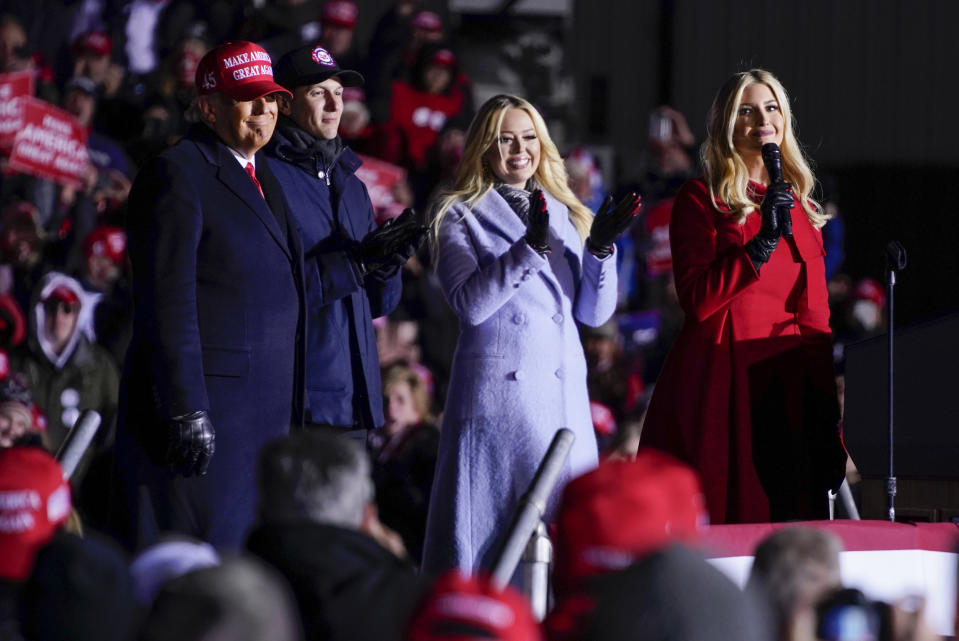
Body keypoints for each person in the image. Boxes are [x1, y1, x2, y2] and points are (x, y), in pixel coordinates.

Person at [422, 94, 641, 578]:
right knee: (493, 548)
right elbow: (469, 305)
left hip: (562, 402)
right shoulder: (459, 212)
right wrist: (528, 249)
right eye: (505, 139)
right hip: (501, 403)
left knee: (562, 549)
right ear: (484, 147)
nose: (519, 149)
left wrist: (602, 249)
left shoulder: (566, 211)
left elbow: (592, 312)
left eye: (528, 138)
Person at [116, 40, 305, 550]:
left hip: (262, 415)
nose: (265, 109)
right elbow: (166, 302)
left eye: (271, 98)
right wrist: (186, 408)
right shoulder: (178, 173)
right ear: (207, 107)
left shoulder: (265, 172)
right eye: (249, 99)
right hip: (211, 417)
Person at [640, 68, 847, 524]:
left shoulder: (802, 207)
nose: (762, 119)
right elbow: (697, 301)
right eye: (747, 110)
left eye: (771, 107)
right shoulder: (701, 199)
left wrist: (827, 416)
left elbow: (815, 319)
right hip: (722, 376)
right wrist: (760, 245)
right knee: (725, 518)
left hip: (787, 383)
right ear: (728, 124)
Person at [266, 43, 426, 435]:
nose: (334, 105)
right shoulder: (265, 178)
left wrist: (387, 266)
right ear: (284, 105)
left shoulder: (352, 185)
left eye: (338, 93)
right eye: (318, 93)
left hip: (358, 399)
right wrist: (354, 265)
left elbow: (375, 303)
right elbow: (270, 293)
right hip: (300, 401)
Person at [246, 430, 428, 641]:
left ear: (260, 510)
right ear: (368, 517)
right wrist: (400, 569)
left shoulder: (217, 604)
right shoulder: (416, 615)